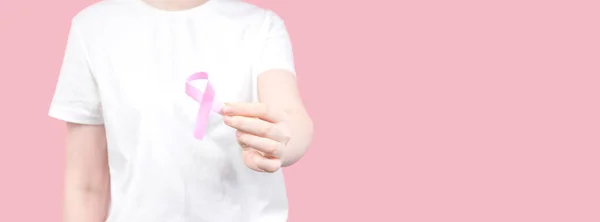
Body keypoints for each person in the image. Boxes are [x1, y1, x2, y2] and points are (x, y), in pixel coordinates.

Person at [48, 0, 314, 221]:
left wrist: (280, 139)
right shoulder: (93, 28)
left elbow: (289, 112)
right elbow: (85, 186)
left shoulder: (260, 26)